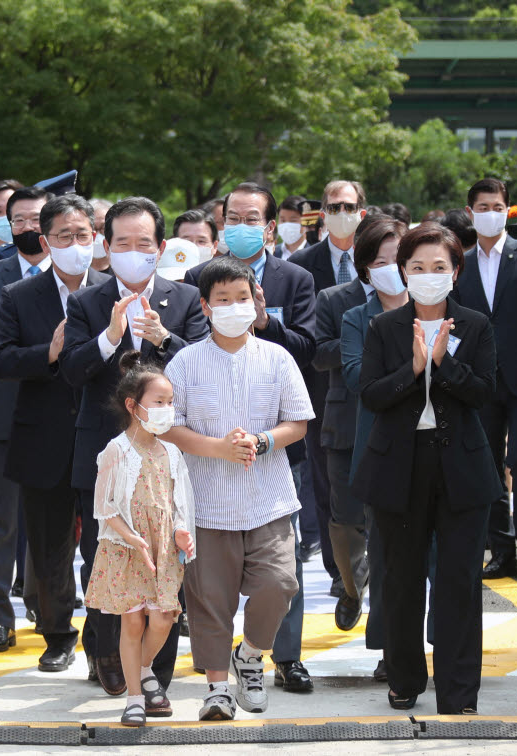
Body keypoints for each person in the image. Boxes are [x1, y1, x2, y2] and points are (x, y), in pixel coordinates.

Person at [59, 196, 208, 696]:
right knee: (103, 557)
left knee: (164, 561)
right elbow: (71, 372)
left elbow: (202, 372)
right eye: (122, 242)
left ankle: (154, 675)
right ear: (107, 246)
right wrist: (109, 337)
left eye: (144, 243)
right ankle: (105, 650)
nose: (133, 251)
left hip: (166, 457)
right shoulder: (86, 301)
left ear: (160, 247)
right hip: (104, 454)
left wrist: (166, 340)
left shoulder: (185, 300)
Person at [354, 223, 501, 714]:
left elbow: (484, 393)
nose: (428, 275)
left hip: (461, 466)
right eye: (417, 268)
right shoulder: (383, 327)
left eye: (439, 267)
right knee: (400, 579)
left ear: (456, 273)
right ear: (403, 273)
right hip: (399, 466)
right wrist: (414, 369)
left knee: (460, 582)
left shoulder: (476, 325)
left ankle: (459, 692)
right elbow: (372, 396)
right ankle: (404, 678)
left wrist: (446, 365)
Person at [183, 182, 317, 693]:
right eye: (231, 216)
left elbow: (307, 348)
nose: (241, 224)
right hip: (209, 481)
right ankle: (218, 684)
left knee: (281, 576)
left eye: (251, 217)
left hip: (273, 467)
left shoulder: (295, 279)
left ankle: (275, 656)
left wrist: (264, 325)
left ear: (267, 224)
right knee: (210, 592)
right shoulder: (196, 280)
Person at [0, 194, 110, 673]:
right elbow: (1, 359)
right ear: (45, 241)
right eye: (65, 236)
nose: (76, 244)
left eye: (84, 235)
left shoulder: (111, 290)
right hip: (43, 437)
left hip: (102, 434)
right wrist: (50, 353)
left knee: (101, 543)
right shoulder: (19, 296)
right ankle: (58, 633)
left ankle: (102, 634)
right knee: (48, 545)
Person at [85, 352, 194, 726]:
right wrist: (133, 539)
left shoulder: (172, 451)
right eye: (158, 402)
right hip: (127, 551)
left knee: (164, 618)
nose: (167, 409)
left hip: (163, 551)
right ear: (134, 406)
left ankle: (145, 668)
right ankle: (134, 697)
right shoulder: (116, 451)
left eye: (170, 402)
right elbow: (104, 509)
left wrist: (182, 532)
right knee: (132, 624)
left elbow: (178, 503)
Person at [451, 178, 517, 581]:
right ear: (470, 212)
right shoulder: (462, 264)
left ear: (507, 209)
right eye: (482, 207)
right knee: (488, 466)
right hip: (480, 384)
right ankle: (502, 550)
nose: (489, 213)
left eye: (497, 206)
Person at [0, 185, 53, 655]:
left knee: (48, 520)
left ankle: (46, 606)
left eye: (35, 219)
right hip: (0, 410)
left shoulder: (75, 273)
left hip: (56, 411)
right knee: (0, 521)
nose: (26, 227)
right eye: (17, 219)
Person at [290, 180, 369, 597]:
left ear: (362, 210)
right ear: (322, 212)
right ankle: (339, 570)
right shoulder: (304, 264)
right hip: (321, 387)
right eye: (333, 206)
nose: (342, 212)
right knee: (326, 483)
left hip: (377, 388)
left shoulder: (381, 260)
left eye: (349, 205)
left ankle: (369, 556)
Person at [340, 215, 409, 682]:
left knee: (436, 558)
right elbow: (358, 380)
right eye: (380, 261)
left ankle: (441, 641)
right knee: (387, 557)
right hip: (383, 449)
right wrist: (417, 368)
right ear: (365, 268)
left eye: (398, 259)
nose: (391, 269)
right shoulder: (355, 318)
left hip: (440, 447)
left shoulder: (447, 308)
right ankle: (392, 650)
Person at [275, 196, 308, 261]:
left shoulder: (316, 255)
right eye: (283, 220)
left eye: (293, 220)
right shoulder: (271, 253)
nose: (287, 225)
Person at [90, 198, 114, 273]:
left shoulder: (123, 274)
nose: (97, 235)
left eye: (103, 228)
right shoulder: (74, 275)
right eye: (92, 228)